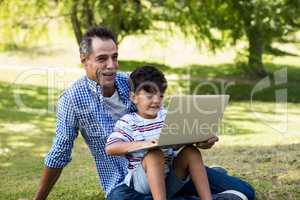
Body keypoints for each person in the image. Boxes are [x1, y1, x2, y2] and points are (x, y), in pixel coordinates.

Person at [34, 26, 255, 200]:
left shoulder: (131, 81)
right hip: (123, 183)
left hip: (169, 169)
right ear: (84, 61)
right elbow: (60, 152)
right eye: (102, 59)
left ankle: (202, 184)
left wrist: (199, 138)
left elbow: (165, 120)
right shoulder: (72, 99)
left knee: (247, 190)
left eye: (115, 57)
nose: (111, 65)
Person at [106, 65, 212, 200]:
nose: (156, 101)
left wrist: (202, 137)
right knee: (154, 155)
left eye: (160, 95)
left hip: (170, 179)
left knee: (192, 152)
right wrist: (144, 144)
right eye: (149, 96)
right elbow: (111, 148)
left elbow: (183, 138)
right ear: (134, 97)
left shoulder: (167, 116)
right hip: (142, 184)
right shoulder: (128, 122)